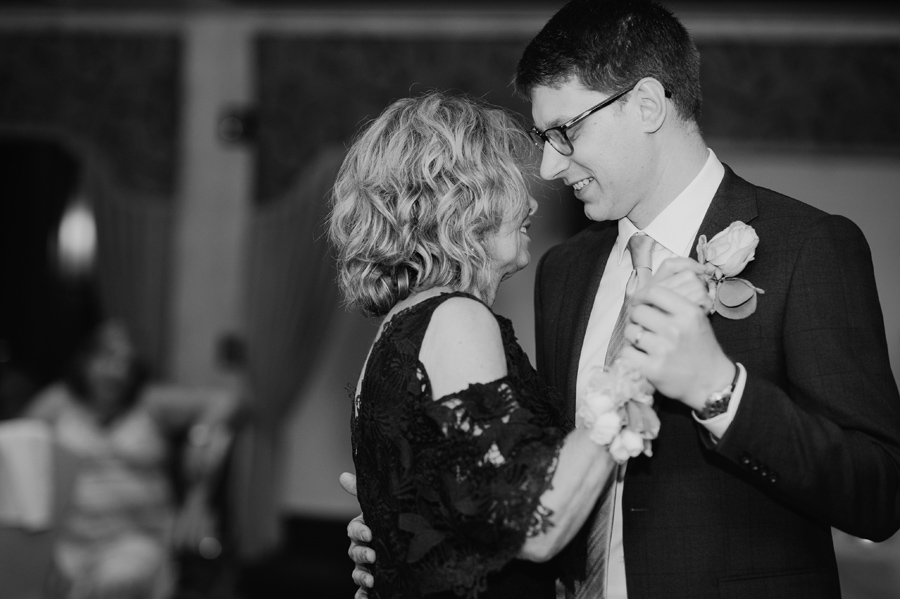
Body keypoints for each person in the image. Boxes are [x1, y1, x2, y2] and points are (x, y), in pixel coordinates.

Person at [346, 1, 900, 598]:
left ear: (647, 104)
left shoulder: (808, 247)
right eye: (541, 138)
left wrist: (722, 393)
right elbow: (532, 480)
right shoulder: (564, 271)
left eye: (565, 132)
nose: (551, 167)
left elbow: (880, 492)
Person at [329, 90, 711, 599]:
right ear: (464, 197)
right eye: (512, 183)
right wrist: (632, 361)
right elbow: (533, 524)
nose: (532, 203)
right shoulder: (455, 318)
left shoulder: (406, 327)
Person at [25, 320, 243, 599]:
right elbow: (18, 449)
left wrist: (201, 435)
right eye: (107, 357)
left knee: (117, 581)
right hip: (67, 542)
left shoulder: (150, 402)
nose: (117, 371)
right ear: (86, 360)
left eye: (127, 363)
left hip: (135, 539)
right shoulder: (58, 402)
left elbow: (228, 401)